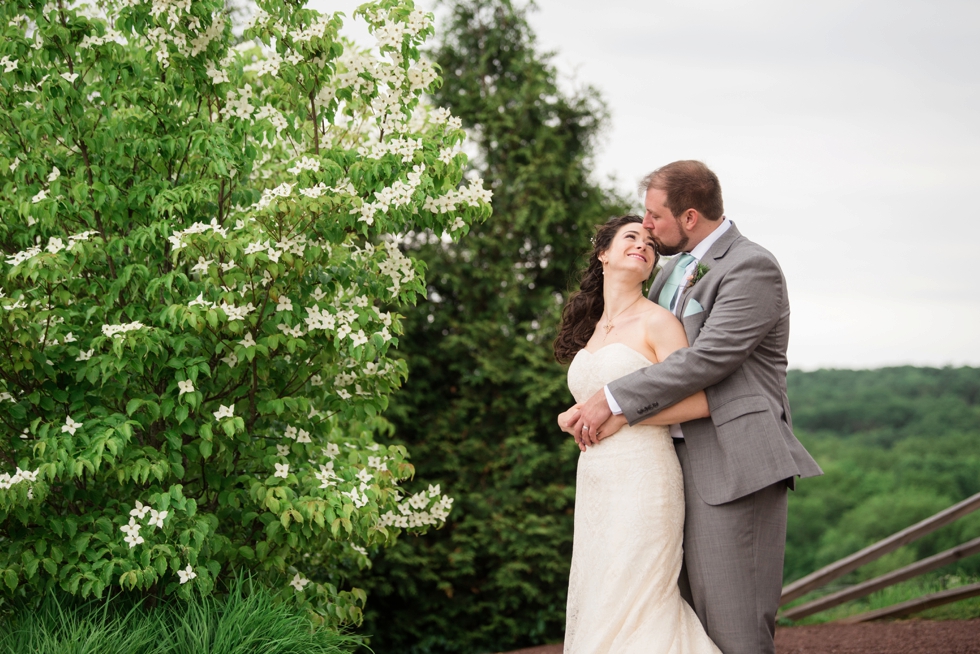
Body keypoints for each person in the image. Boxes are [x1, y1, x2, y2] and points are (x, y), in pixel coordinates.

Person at [564, 160, 823, 654]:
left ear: (687, 217)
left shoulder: (751, 265)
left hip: (732, 462)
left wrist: (614, 403)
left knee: (735, 626)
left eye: (653, 216)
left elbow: (710, 358)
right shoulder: (670, 274)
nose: (648, 228)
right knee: (676, 624)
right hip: (667, 469)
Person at [555, 215, 721, 654]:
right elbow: (596, 399)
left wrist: (625, 416)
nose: (643, 245)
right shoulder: (590, 330)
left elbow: (701, 401)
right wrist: (570, 416)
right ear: (603, 253)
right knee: (601, 594)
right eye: (631, 237)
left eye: (649, 242)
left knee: (637, 600)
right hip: (596, 481)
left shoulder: (660, 323)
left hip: (644, 479)